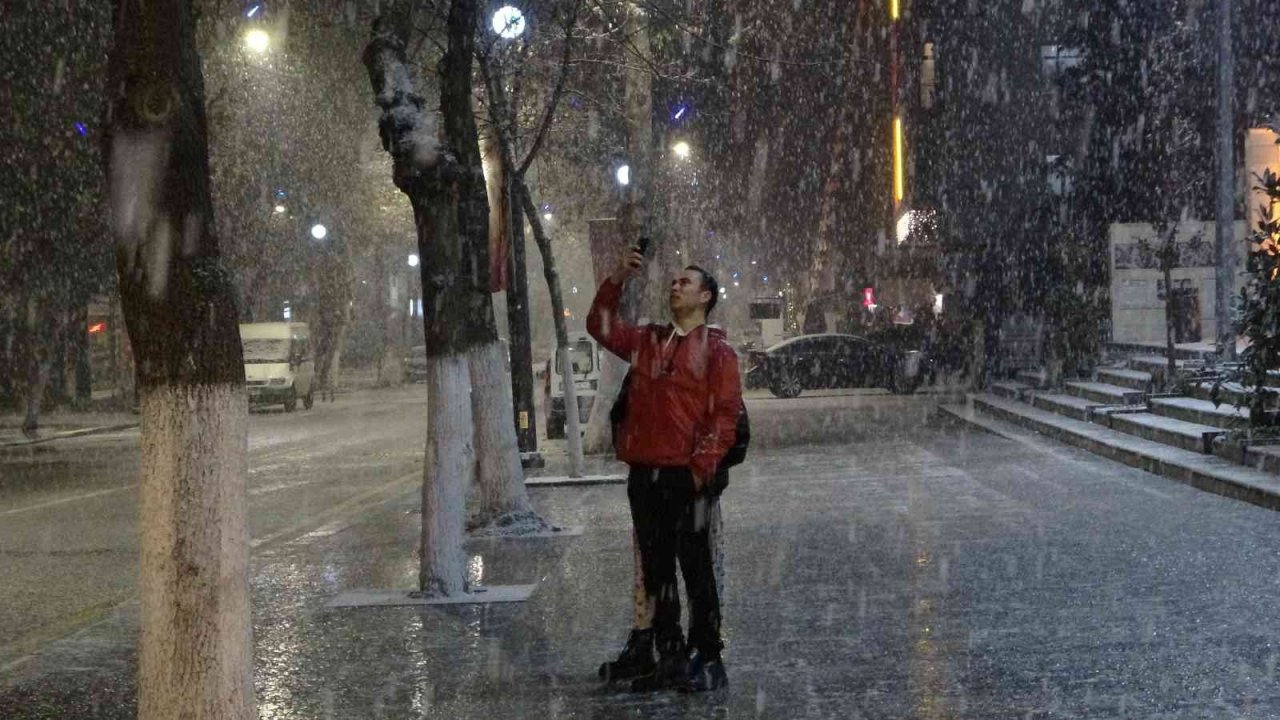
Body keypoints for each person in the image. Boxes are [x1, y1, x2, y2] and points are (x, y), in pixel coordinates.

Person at [587, 246, 741, 692]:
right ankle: (670, 655)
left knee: (696, 570)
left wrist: (700, 470)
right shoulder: (648, 340)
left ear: (707, 297)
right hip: (645, 475)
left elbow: (724, 416)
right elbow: (599, 325)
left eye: (686, 282)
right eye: (673, 281)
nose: (675, 286)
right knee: (657, 573)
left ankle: (709, 656)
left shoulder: (717, 351)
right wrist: (617, 278)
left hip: (686, 477)